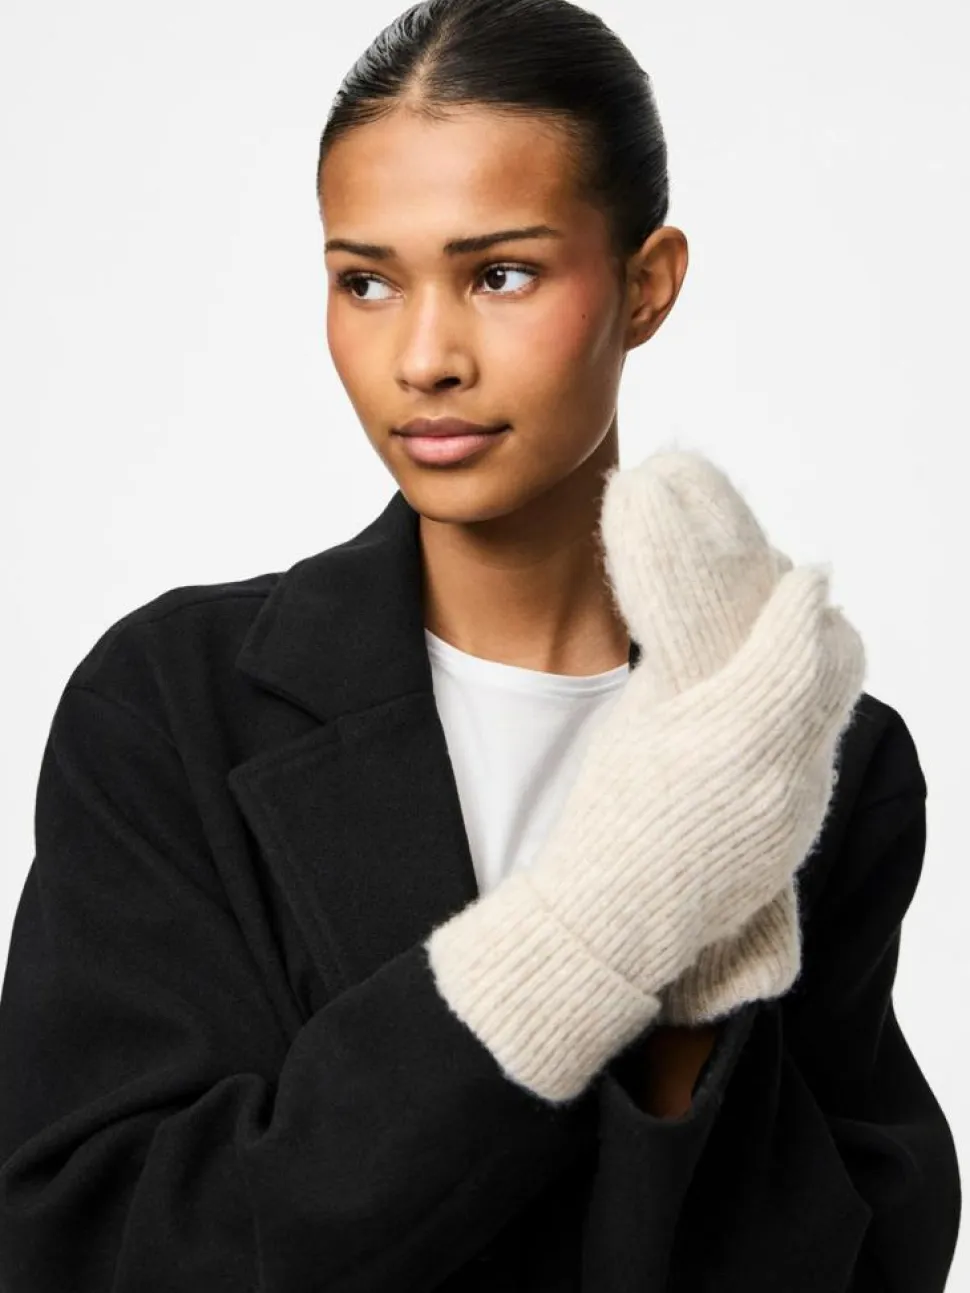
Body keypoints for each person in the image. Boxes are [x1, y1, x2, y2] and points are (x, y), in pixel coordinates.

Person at [0, 0, 960, 1289]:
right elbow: (90, 1243)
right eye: (367, 281)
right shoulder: (171, 704)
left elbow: (866, 1254)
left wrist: (696, 1003)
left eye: (500, 273)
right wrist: (599, 920)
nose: (425, 358)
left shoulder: (816, 753)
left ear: (647, 284)